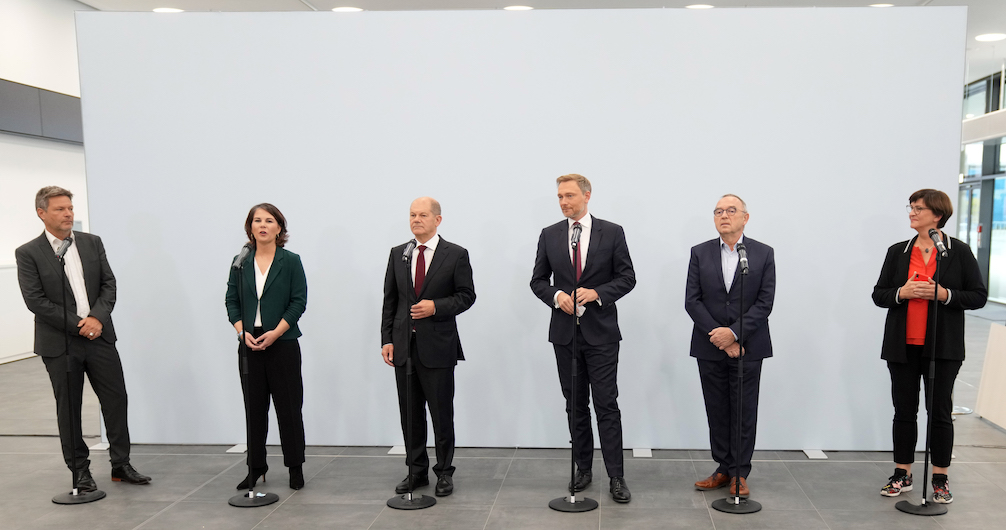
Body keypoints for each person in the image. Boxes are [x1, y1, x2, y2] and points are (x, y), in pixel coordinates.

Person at [15, 186, 151, 493]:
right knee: (70, 407)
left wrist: (97, 319)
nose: (68, 214)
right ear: (42, 213)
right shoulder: (28, 253)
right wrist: (80, 325)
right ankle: (79, 471)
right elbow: (36, 300)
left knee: (116, 399)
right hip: (60, 343)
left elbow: (108, 284)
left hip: (99, 336)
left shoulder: (91, 243)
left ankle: (121, 464)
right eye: (60, 209)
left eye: (70, 208)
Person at [872, 189, 986, 504]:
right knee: (904, 412)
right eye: (910, 207)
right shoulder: (898, 252)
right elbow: (879, 294)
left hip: (943, 349)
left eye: (918, 208)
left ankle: (940, 477)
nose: (911, 212)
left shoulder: (957, 252)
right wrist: (902, 292)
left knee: (940, 414)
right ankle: (902, 472)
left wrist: (945, 294)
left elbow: (978, 296)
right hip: (902, 346)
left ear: (937, 215)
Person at [530, 174, 636, 503]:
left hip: (602, 334)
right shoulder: (550, 235)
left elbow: (627, 277)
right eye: (560, 196)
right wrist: (556, 295)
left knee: (606, 405)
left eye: (570, 195)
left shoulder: (612, 232)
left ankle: (616, 476)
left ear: (587, 196)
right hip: (565, 334)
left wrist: (598, 293)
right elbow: (537, 281)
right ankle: (583, 468)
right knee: (575, 405)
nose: (564, 202)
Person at [381, 197, 476, 498]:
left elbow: (466, 296)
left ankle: (444, 472)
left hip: (438, 347)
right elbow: (390, 301)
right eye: (412, 215)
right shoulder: (399, 254)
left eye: (423, 215)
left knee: (440, 413)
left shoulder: (456, 254)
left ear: (438, 219)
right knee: (410, 414)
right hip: (403, 348)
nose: (416, 219)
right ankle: (416, 470)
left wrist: (436, 306)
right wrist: (386, 339)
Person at [685, 194, 775, 498]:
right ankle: (722, 469)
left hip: (749, 346)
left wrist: (735, 335)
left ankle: (739, 472)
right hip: (709, 345)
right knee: (718, 410)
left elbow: (764, 303)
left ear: (745, 218)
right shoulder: (700, 252)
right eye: (718, 211)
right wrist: (719, 336)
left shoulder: (762, 254)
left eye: (731, 210)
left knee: (743, 410)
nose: (724, 215)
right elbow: (692, 300)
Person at [225, 203, 308, 490]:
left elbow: (299, 302)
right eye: (256, 220)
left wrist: (276, 332)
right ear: (250, 228)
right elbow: (231, 301)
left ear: (279, 228)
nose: (262, 225)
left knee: (289, 408)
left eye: (269, 220)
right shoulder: (240, 261)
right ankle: (255, 467)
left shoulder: (291, 260)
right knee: (254, 410)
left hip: (282, 343)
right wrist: (241, 331)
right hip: (249, 344)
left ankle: (295, 467)